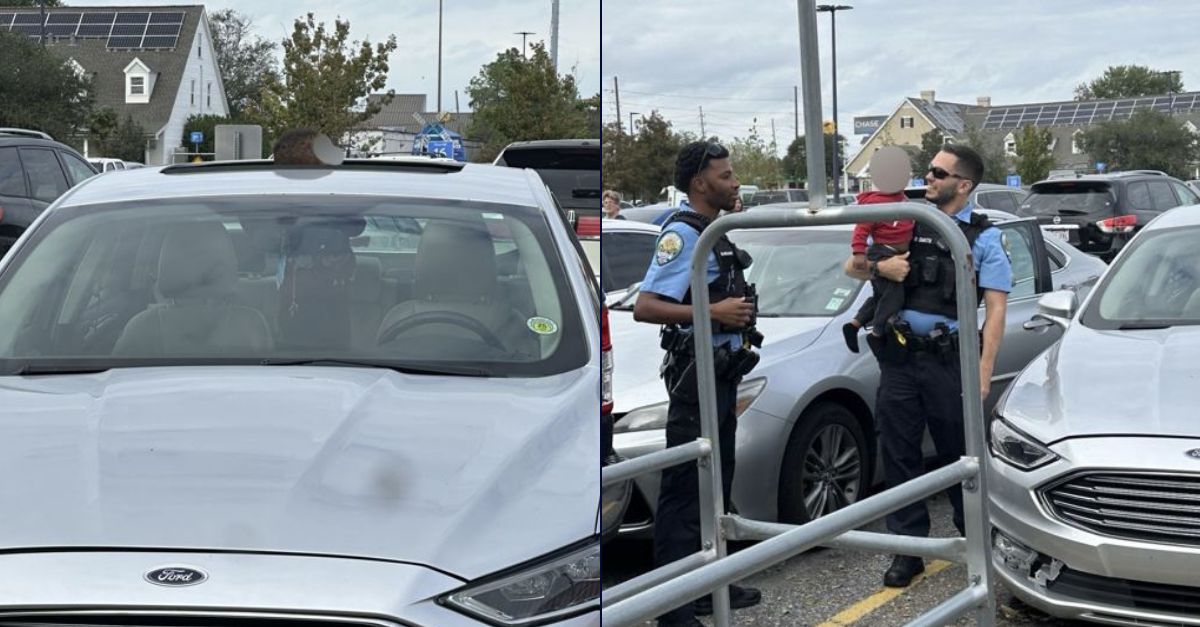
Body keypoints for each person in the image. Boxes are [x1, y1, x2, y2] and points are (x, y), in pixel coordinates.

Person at [844, 144, 1011, 588]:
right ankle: (909, 550)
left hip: (949, 362)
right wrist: (884, 266)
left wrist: (984, 368)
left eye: (938, 173)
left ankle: (975, 543)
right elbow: (853, 266)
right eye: (929, 171)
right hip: (900, 359)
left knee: (962, 456)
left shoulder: (984, 237)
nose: (928, 179)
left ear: (964, 184)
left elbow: (995, 309)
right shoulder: (909, 222)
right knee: (898, 455)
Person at [633, 141, 762, 627]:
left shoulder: (716, 231)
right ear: (699, 183)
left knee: (717, 487)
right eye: (725, 176)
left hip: (722, 375)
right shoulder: (683, 235)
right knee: (686, 490)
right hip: (696, 379)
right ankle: (675, 609)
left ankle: (710, 586)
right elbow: (646, 306)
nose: (734, 183)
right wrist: (711, 312)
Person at [843, 146, 915, 353]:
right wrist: (858, 253)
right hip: (883, 252)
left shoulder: (901, 199)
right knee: (894, 298)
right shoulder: (875, 204)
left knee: (880, 298)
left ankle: (854, 324)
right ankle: (877, 334)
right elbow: (860, 230)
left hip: (894, 253)